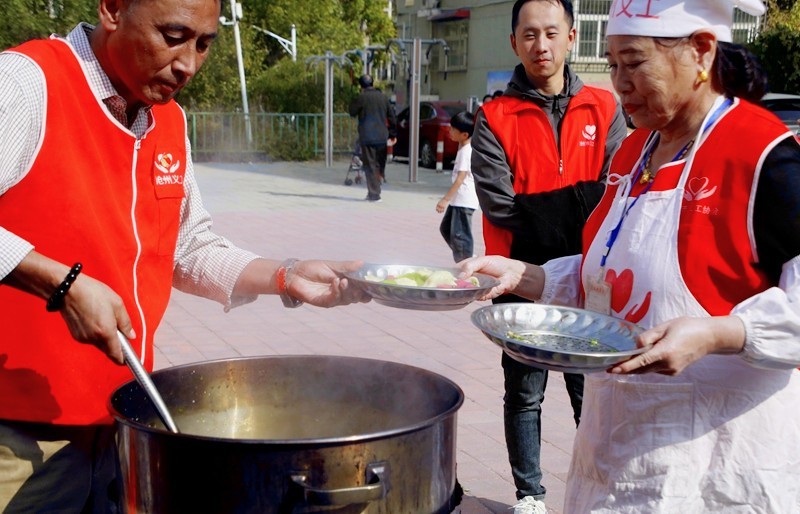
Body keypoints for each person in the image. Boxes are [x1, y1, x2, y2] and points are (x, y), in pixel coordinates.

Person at [0, 0, 369, 511]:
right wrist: (62, 285)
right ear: (112, 10)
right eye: (172, 35)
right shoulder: (27, 82)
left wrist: (286, 276)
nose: (188, 64)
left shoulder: (167, 119)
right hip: (16, 435)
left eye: (204, 43)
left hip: (123, 419)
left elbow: (188, 248)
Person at [461, 0, 800, 511]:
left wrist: (719, 333)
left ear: (702, 51)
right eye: (613, 63)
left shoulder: (762, 155)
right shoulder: (636, 151)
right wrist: (526, 276)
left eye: (635, 62)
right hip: (617, 456)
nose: (619, 81)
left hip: (711, 472)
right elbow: (613, 273)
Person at [470, 1, 628, 512]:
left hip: (590, 282)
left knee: (594, 394)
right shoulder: (493, 116)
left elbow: (616, 192)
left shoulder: (605, 108)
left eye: (552, 33)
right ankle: (529, 494)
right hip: (519, 283)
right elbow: (500, 204)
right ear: (515, 41)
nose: (542, 45)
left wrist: (553, 207)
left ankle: (599, 486)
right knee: (524, 395)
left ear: (572, 37)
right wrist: (580, 204)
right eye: (530, 34)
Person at [436, 111, 480, 262]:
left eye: (453, 129)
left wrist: (444, 199)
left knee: (460, 236)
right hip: (458, 200)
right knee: (447, 229)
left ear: (464, 135)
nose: (450, 131)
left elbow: (460, 178)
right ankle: (466, 256)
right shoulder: (463, 148)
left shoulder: (466, 152)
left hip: (464, 201)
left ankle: (465, 261)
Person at [348, 74, 397, 202]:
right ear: (372, 83)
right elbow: (392, 117)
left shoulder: (361, 98)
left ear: (361, 85)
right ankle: (376, 189)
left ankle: (374, 194)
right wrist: (392, 134)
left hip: (367, 136)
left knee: (370, 165)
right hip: (382, 136)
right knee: (379, 164)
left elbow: (352, 112)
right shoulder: (383, 98)